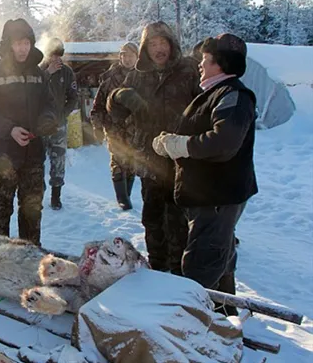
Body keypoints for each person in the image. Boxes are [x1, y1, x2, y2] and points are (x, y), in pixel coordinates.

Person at [152, 33, 257, 315]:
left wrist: (181, 145)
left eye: (205, 60)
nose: (200, 65)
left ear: (221, 64)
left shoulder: (233, 95)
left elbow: (224, 142)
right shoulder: (214, 93)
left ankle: (191, 325)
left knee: (201, 263)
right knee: (220, 257)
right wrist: (173, 139)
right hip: (209, 194)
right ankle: (223, 317)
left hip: (217, 195)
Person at [107, 21, 201, 275]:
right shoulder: (137, 74)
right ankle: (158, 270)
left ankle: (179, 274)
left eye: (163, 43)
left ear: (172, 44)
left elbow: (206, 107)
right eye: (153, 44)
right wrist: (117, 97)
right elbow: (114, 110)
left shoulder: (189, 70)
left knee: (179, 222)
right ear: (145, 48)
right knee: (152, 220)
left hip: (181, 161)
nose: (159, 49)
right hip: (149, 161)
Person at [0, 18, 58, 246]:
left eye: (26, 43)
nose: (22, 48)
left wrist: (47, 121)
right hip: (2, 156)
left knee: (32, 208)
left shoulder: (39, 75)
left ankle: (30, 255)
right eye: (17, 43)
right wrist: (10, 129)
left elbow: (50, 105)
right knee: (1, 208)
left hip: (33, 154)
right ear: (8, 44)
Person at [90, 42, 139, 210]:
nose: (128, 59)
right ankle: (122, 199)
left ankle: (127, 194)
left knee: (132, 162)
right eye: (125, 55)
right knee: (118, 161)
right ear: (120, 57)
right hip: (114, 128)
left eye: (131, 55)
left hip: (135, 129)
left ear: (137, 57)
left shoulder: (143, 78)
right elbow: (97, 106)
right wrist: (97, 126)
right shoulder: (109, 79)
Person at [39, 38, 78, 210]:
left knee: (58, 160)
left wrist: (63, 115)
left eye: (58, 55)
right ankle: (37, 195)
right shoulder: (38, 71)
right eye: (52, 55)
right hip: (39, 126)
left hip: (58, 125)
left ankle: (56, 196)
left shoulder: (67, 72)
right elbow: (32, 94)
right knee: (36, 162)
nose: (55, 58)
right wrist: (48, 73)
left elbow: (74, 97)